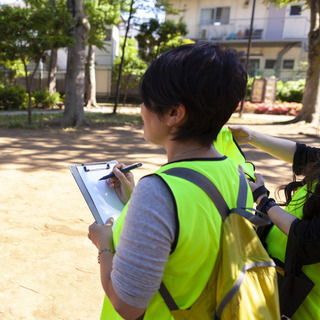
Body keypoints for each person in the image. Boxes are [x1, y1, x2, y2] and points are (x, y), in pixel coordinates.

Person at [87, 42, 251, 320]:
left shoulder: (159, 192)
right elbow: (190, 233)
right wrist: (134, 199)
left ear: (175, 113)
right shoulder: (237, 175)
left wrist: (104, 244)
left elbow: (127, 305)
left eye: (147, 99)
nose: (141, 108)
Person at [230, 125, 320, 320]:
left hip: (304, 305)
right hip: (279, 284)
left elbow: (311, 241)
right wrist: (252, 136)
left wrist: (263, 201)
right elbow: (304, 155)